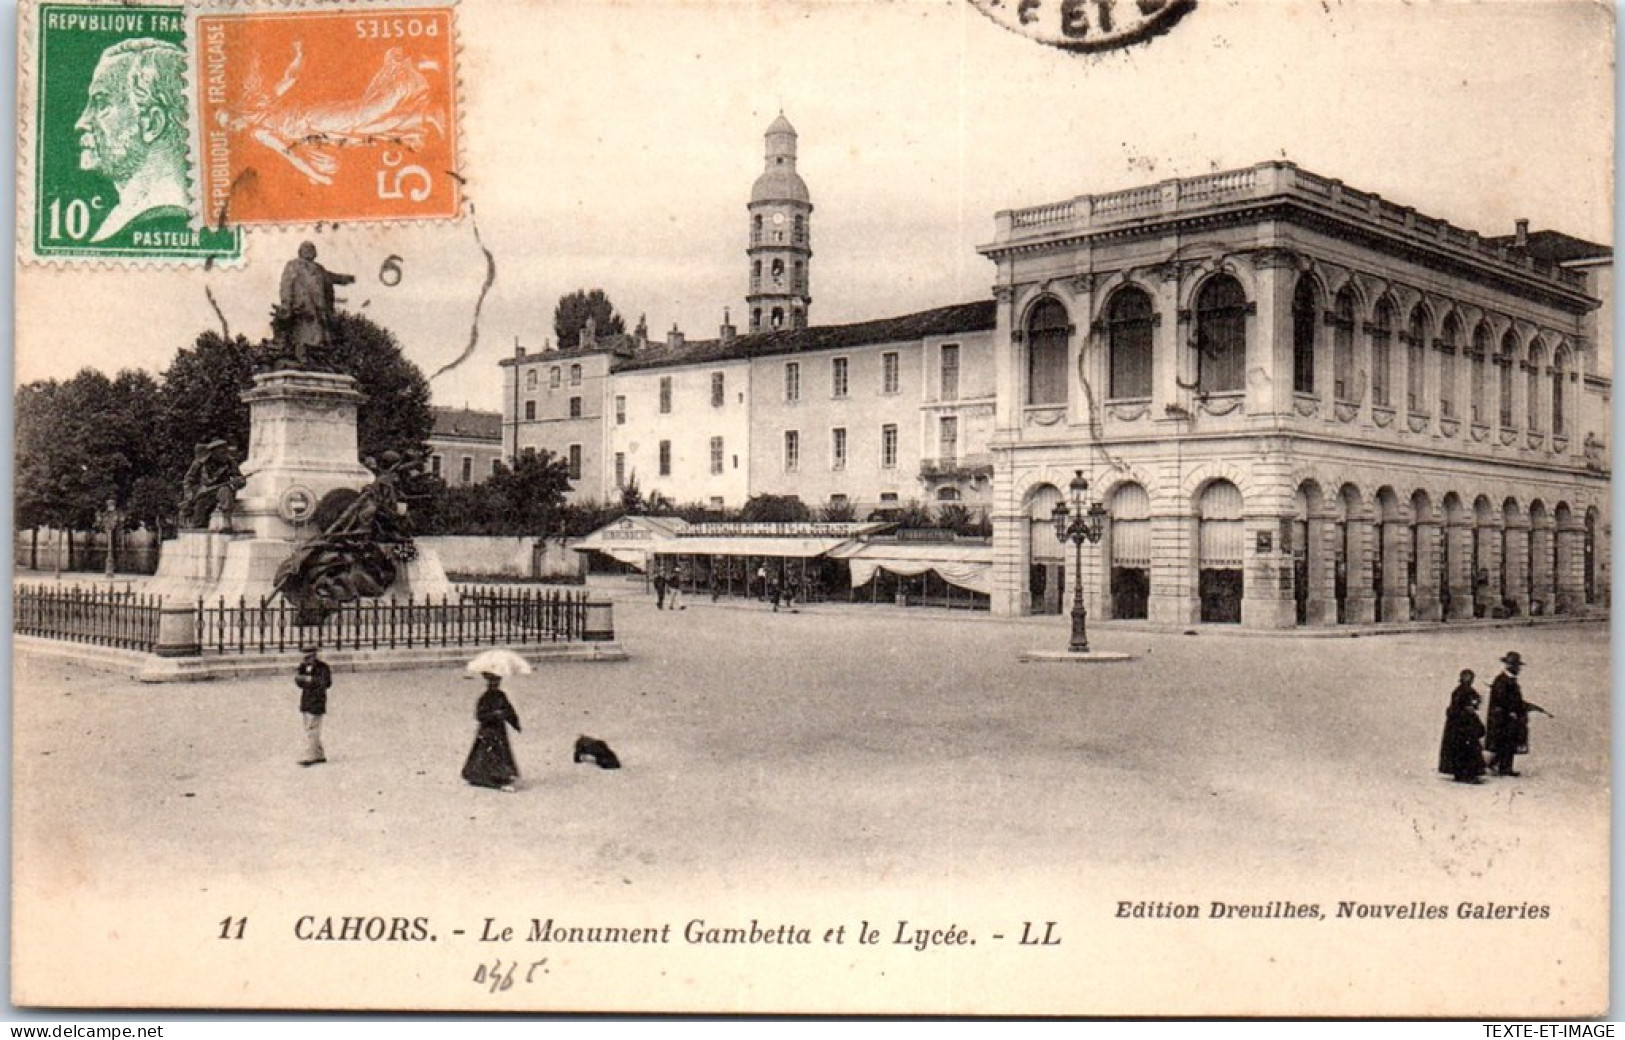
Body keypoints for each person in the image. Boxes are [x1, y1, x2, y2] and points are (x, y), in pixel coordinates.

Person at [74, 38, 191, 243]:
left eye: (101, 104)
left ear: (151, 124)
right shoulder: (123, 219)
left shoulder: (167, 219)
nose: (81, 122)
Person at [279, 242, 355, 365]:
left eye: (312, 249)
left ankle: (315, 360)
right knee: (302, 332)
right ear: (300, 251)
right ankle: (301, 358)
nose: (310, 251)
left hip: (319, 307)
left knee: (318, 334)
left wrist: (346, 279)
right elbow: (286, 285)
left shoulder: (319, 269)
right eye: (307, 249)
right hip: (302, 305)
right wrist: (286, 303)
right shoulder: (293, 265)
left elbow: (332, 277)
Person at [1486, 651, 1549, 777]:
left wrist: (1530, 707)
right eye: (1517, 666)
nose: (1519, 669)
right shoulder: (1502, 680)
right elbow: (1503, 700)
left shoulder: (1508, 680)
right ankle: (1502, 768)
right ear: (1510, 666)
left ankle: (1499, 766)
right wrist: (1513, 711)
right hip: (1503, 719)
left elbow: (1514, 701)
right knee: (1505, 742)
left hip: (1507, 717)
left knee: (1506, 743)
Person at [462, 672, 521, 791]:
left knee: (500, 752)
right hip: (488, 730)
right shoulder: (485, 698)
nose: (495, 685)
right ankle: (493, 776)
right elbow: (480, 715)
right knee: (490, 752)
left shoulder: (501, 696)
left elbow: (509, 709)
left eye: (497, 682)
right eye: (493, 682)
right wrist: (495, 715)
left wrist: (514, 722)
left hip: (499, 729)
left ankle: (500, 774)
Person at [1437, 670, 1486, 784]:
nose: (1469, 679)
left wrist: (1475, 704)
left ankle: (1468, 773)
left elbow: (1476, 701)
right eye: (1466, 677)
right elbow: (1455, 708)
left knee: (1468, 749)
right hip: (1459, 725)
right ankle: (1463, 774)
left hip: (1466, 724)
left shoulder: (1469, 690)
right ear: (1462, 678)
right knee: (1462, 749)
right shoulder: (1458, 691)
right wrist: (1466, 709)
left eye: (1470, 677)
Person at [295, 642, 332, 767]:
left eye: (308, 657)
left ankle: (309, 756)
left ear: (314, 656)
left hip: (317, 701)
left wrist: (310, 680)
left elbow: (326, 683)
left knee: (312, 728)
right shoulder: (303, 667)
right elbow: (299, 681)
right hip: (306, 700)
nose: (306, 660)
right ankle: (319, 754)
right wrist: (302, 679)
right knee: (309, 727)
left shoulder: (323, 667)